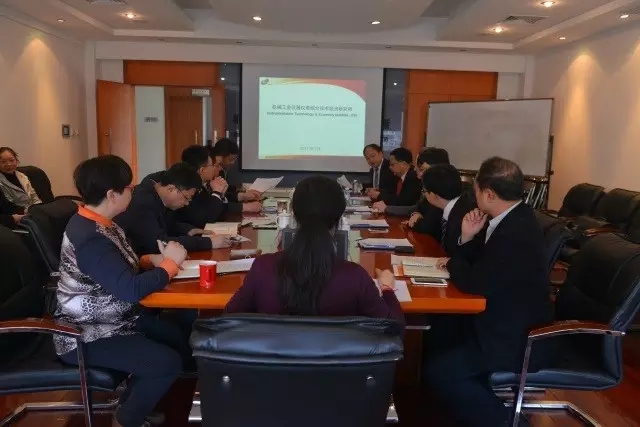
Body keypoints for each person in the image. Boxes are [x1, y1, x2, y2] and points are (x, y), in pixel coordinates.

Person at [54, 155, 193, 427]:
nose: (134, 190)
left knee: (175, 337)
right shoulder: (90, 237)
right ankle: (126, 419)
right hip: (87, 333)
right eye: (129, 187)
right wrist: (169, 265)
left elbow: (118, 266)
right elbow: (130, 289)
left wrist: (150, 260)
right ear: (111, 194)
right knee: (166, 363)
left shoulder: (103, 223)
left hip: (116, 320)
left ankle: (132, 403)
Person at [425, 157, 552, 427]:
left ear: (489, 195)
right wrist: (468, 237)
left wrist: (455, 262)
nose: (473, 195)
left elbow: (474, 281)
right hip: (498, 316)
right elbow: (476, 263)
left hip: (514, 334)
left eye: (476, 189)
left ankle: (507, 422)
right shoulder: (509, 217)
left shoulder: (515, 232)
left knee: (441, 372)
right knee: (438, 334)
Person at [225, 175, 405, 328]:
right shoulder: (355, 276)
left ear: (293, 212)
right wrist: (387, 289)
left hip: (272, 359)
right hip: (334, 359)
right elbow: (393, 329)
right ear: (340, 217)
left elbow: (227, 321)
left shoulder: (263, 268)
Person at [115, 163, 231, 255]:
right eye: (186, 198)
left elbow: (165, 224)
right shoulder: (142, 203)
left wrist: (189, 230)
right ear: (171, 189)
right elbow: (159, 243)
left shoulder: (157, 194)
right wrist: (208, 242)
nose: (186, 203)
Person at [373, 147, 450, 216]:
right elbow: (418, 208)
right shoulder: (396, 177)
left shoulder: (415, 178)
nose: (415, 169)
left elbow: (405, 202)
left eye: (421, 167)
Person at [420, 164, 476, 255]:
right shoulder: (453, 204)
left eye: (424, 191)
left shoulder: (464, 216)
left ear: (433, 195)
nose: (424, 195)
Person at [176, 145, 227, 228]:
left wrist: (221, 195)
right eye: (212, 165)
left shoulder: (202, 186)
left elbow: (218, 214)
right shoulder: (187, 189)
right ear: (202, 170)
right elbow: (206, 219)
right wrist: (217, 192)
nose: (215, 169)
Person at [209, 138, 262, 213]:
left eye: (234, 159)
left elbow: (224, 196)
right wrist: (244, 207)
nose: (233, 163)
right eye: (230, 160)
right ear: (219, 158)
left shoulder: (222, 171)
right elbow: (214, 206)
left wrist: (244, 195)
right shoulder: (209, 176)